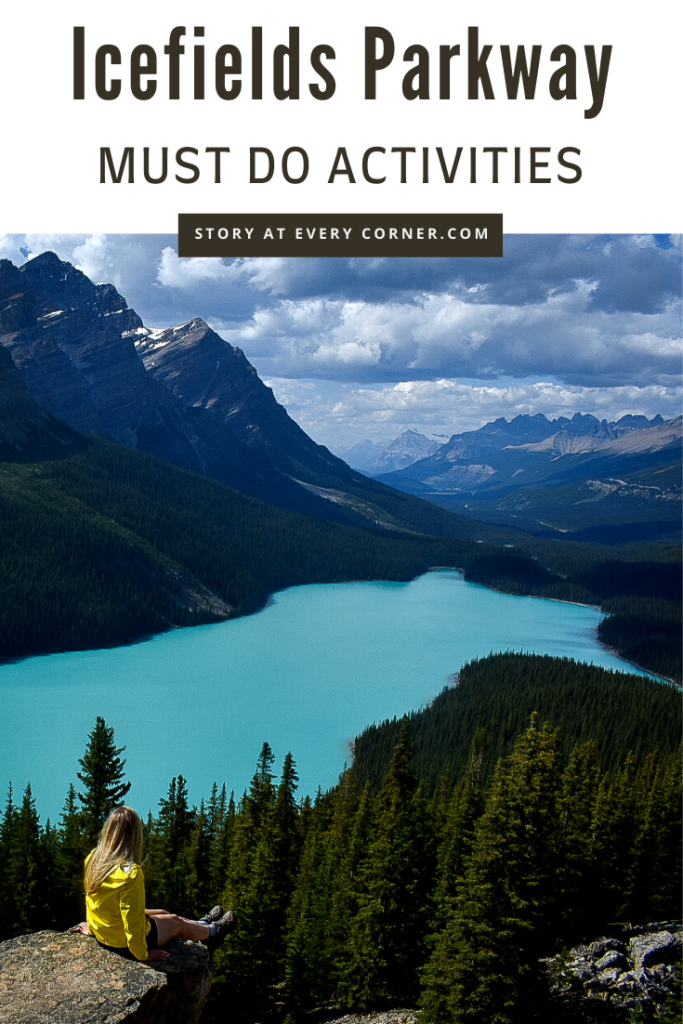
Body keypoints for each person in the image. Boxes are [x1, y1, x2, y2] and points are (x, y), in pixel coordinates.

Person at [83, 804, 234, 962]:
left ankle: (202, 924)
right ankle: (213, 932)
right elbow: (132, 921)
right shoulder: (130, 874)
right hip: (122, 943)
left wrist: (92, 928)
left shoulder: (94, 858)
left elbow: (91, 900)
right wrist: (142, 954)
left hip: (106, 932)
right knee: (177, 923)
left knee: (163, 912)